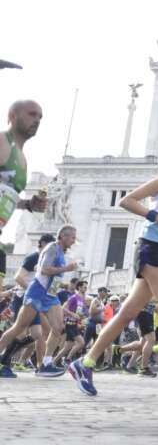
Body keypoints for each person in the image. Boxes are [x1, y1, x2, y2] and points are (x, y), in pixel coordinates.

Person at [69, 146, 158, 396]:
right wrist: (154, 215)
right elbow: (127, 201)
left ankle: (85, 362)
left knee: (126, 314)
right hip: (151, 249)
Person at [0, 225, 79, 378]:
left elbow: (47, 271)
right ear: (63, 236)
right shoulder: (52, 248)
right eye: (72, 238)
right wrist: (66, 269)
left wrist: (62, 280)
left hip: (50, 295)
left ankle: (46, 364)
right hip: (37, 292)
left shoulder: (61, 251)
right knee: (19, 328)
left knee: (58, 328)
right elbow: (44, 270)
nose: (74, 241)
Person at [0, 233, 53, 377]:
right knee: (19, 331)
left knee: (37, 334)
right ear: (41, 244)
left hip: (34, 301)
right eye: (48, 246)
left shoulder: (45, 260)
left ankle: (6, 358)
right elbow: (18, 277)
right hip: (22, 298)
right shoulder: (33, 257)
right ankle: (3, 360)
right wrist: (32, 291)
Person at [0, 100, 48, 235]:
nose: (37, 120)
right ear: (12, 115)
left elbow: (6, 197)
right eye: (32, 114)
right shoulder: (2, 141)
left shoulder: (23, 159)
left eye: (40, 117)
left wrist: (27, 205)